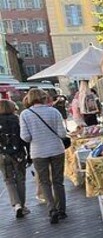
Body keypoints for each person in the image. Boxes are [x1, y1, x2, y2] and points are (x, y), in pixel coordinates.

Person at [19, 88, 67, 224]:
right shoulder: (54, 111)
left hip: (38, 152)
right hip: (56, 149)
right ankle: (61, 209)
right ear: (44, 97)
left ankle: (52, 209)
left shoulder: (25, 114)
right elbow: (62, 134)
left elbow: (26, 137)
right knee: (58, 181)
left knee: (44, 182)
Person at [0, 99, 30, 218]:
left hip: (2, 155)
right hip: (18, 154)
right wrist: (29, 154)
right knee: (20, 179)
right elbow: (24, 138)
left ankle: (16, 205)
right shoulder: (17, 120)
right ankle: (22, 205)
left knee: (8, 180)